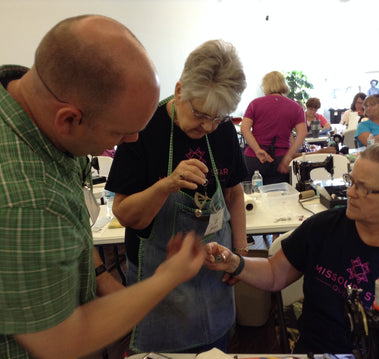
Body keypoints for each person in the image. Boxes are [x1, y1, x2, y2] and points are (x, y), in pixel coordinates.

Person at [0, 15, 207, 359]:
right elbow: (62, 341)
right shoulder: (19, 200)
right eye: (120, 133)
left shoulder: (16, 102)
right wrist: (167, 277)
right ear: (69, 119)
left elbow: (69, 217)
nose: (132, 139)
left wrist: (103, 278)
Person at [205, 141, 379, 354]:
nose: (349, 192)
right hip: (312, 350)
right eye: (351, 181)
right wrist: (235, 263)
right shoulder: (325, 227)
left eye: (363, 188)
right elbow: (275, 273)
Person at [105, 39, 248, 353]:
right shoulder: (142, 129)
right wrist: (166, 185)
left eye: (218, 117)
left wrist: (240, 253)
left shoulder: (220, 130)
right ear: (180, 89)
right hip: (158, 285)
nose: (208, 126)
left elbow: (234, 194)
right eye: (200, 114)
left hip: (213, 279)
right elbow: (124, 213)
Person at [241, 71, 307, 185]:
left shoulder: (254, 104)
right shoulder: (296, 107)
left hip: (254, 159)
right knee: (281, 197)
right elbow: (302, 134)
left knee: (254, 197)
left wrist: (257, 150)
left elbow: (244, 129)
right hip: (281, 159)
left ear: (265, 86)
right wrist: (288, 157)